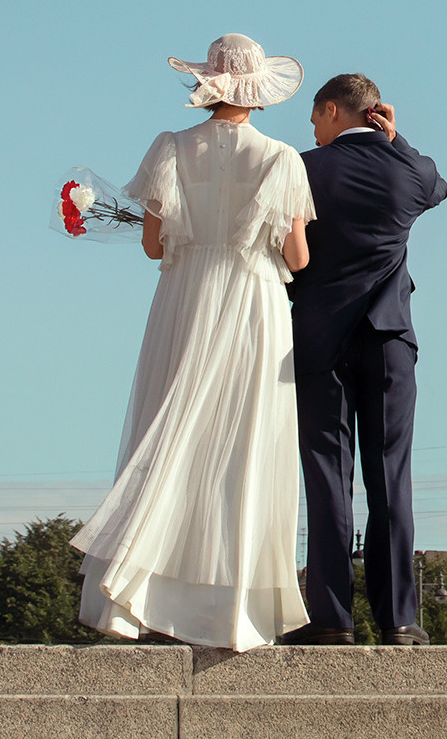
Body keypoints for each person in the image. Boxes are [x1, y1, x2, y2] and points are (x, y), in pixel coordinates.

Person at [70, 34, 315, 651]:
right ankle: (230, 610)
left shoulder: (170, 147)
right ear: (257, 90)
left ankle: (139, 593)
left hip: (184, 296)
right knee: (243, 442)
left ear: (207, 83)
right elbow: (297, 257)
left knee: (168, 424)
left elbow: (154, 245)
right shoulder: (283, 158)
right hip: (253, 299)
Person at [280, 74, 447, 645]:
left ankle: (331, 620)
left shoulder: (301, 169)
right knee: (390, 475)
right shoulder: (409, 171)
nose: (312, 130)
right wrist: (396, 140)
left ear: (332, 110)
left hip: (319, 340)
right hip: (389, 339)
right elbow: (438, 187)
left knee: (328, 476)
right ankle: (399, 619)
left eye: (314, 118)